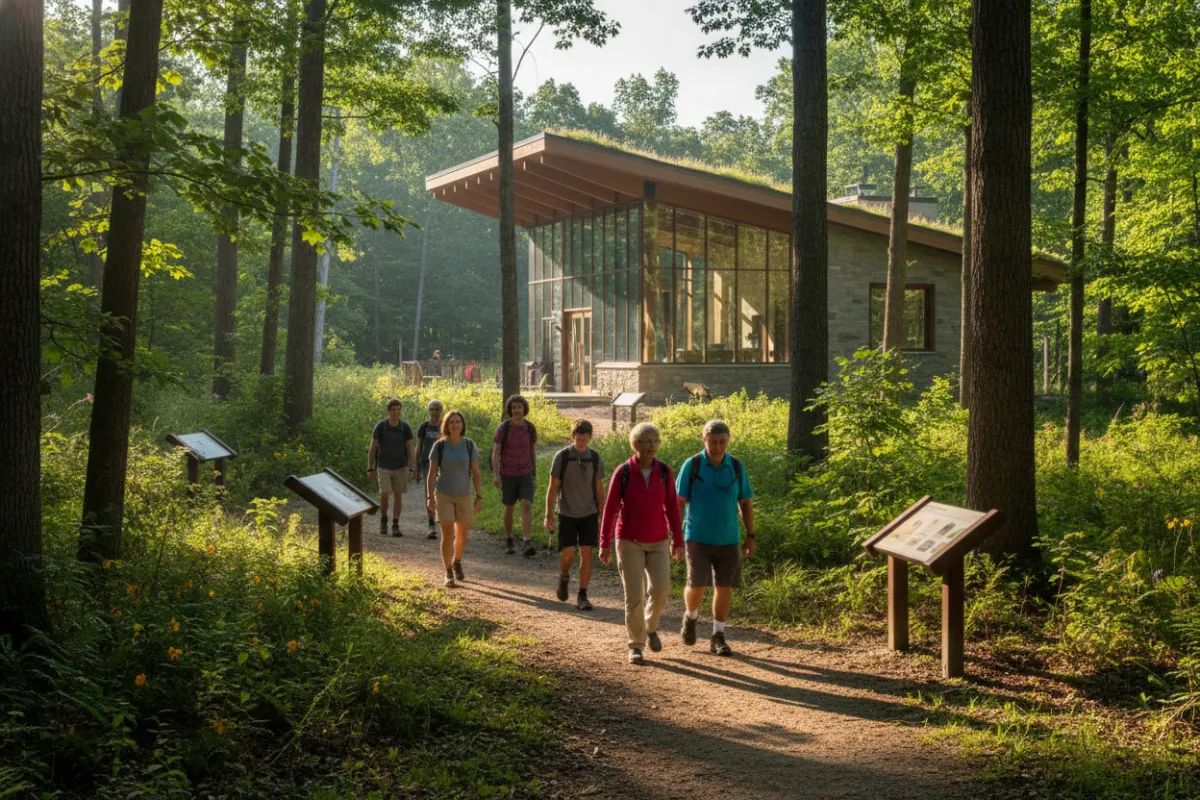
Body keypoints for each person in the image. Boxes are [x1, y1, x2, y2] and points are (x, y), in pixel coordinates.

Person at [599, 422, 684, 665]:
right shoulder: (623, 472)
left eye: (656, 441)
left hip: (658, 540)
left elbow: (672, 508)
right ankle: (636, 645)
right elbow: (610, 509)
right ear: (635, 445)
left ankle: (650, 626)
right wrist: (604, 543)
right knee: (634, 595)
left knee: (661, 590)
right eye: (647, 441)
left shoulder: (665, 472)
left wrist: (678, 540)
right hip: (629, 541)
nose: (652, 445)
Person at [676, 420, 755, 657]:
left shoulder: (736, 466)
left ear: (727, 441)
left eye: (722, 442)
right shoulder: (692, 465)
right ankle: (690, 616)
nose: (718, 446)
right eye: (713, 442)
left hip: (729, 538)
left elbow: (746, 502)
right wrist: (676, 536)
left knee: (724, 587)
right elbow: (679, 502)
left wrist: (750, 535)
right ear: (704, 440)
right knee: (697, 585)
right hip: (697, 537)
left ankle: (718, 635)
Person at [544, 419, 605, 611]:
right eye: (578, 439)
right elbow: (553, 487)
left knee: (586, 552)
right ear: (573, 437)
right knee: (567, 553)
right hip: (567, 512)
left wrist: (602, 514)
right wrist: (548, 515)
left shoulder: (595, 458)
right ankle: (564, 576)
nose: (581, 443)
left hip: (589, 512)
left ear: (590, 438)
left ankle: (583, 594)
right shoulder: (562, 456)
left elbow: (599, 488)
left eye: (585, 440)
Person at [425, 410, 483, 588]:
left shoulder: (469, 445)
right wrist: (429, 496)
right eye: (451, 422)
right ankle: (448, 570)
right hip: (443, 493)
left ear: (462, 425)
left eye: (458, 422)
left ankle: (457, 560)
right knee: (447, 531)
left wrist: (479, 495)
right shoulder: (439, 446)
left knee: (462, 534)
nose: (455, 425)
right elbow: (432, 473)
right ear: (446, 426)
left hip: (464, 494)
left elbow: (475, 472)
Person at [492, 395, 538, 557]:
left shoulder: (530, 428)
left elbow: (532, 452)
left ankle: (527, 541)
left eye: (519, 407)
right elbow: (496, 452)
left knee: (526, 503)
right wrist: (496, 475)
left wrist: (534, 475)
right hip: (507, 473)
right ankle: (509, 538)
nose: (517, 410)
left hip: (525, 472)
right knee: (509, 506)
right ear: (510, 410)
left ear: (524, 409)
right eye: (513, 408)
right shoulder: (503, 428)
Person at [366, 398, 415, 537]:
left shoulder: (405, 427)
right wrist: (370, 468)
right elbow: (372, 449)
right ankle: (383, 517)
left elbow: (411, 448)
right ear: (388, 411)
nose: (396, 412)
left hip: (400, 466)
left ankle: (395, 524)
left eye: (398, 410)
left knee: (398, 495)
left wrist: (412, 468)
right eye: (393, 410)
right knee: (384, 494)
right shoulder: (381, 427)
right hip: (383, 466)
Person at [415, 399, 444, 539]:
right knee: (429, 493)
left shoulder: (446, 426)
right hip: (427, 463)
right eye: (432, 409)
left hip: (444, 463)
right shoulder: (424, 426)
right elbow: (419, 446)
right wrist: (416, 466)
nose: (434, 412)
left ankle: (444, 523)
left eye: (437, 409)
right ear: (428, 411)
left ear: (441, 411)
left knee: (444, 492)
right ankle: (431, 524)